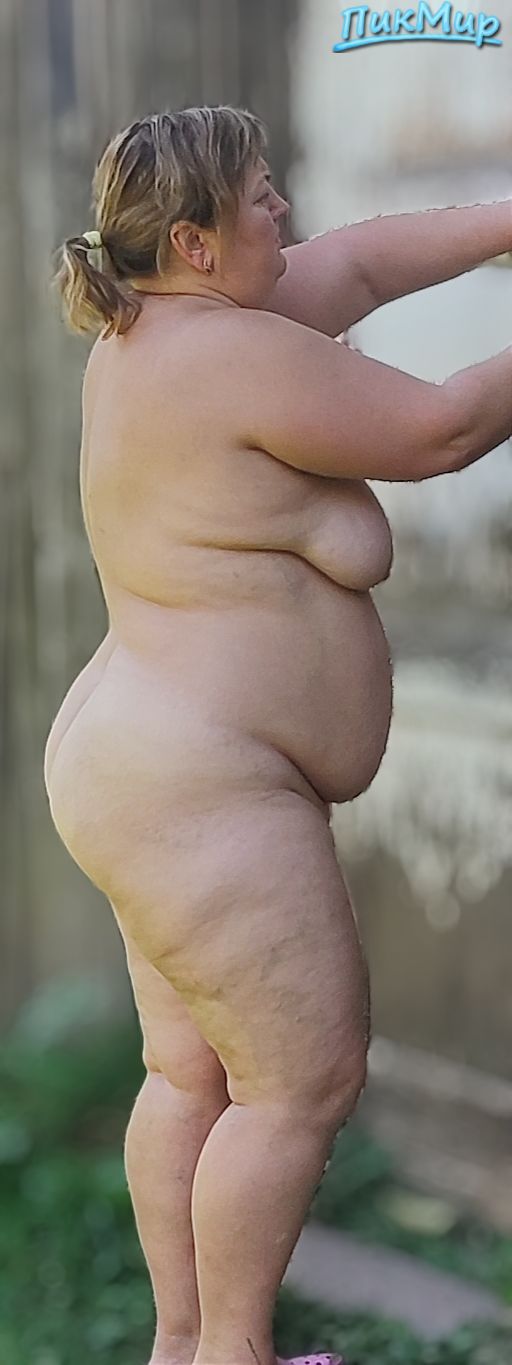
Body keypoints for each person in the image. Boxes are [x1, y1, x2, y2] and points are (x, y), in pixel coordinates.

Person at [44, 104, 512, 1365]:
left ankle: (187, 1346)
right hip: (196, 783)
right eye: (260, 196)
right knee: (300, 1084)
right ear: (195, 243)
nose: (284, 210)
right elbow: (439, 428)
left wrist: (500, 222)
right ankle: (232, 1354)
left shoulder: (166, 328)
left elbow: (356, 262)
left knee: (191, 1076)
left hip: (144, 768)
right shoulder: (226, 356)